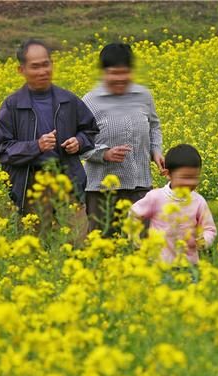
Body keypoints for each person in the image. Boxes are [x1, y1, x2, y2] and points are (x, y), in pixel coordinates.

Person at [0, 39, 99, 241]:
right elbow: (0, 149)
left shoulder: (68, 100)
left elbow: (90, 130)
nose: (43, 71)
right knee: (37, 248)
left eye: (46, 64)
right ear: (21, 70)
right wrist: (36, 146)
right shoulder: (12, 105)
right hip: (32, 187)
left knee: (78, 243)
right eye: (35, 66)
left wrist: (79, 142)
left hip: (68, 182)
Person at [81, 43, 163, 235]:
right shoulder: (90, 101)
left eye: (124, 73)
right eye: (113, 73)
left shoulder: (143, 96)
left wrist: (156, 151)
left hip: (140, 186)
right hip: (102, 192)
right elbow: (79, 143)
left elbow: (154, 126)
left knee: (140, 244)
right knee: (105, 245)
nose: (119, 79)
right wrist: (104, 154)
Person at [130, 144, 217, 264]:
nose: (191, 182)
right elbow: (133, 213)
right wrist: (134, 236)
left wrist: (204, 240)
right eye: (185, 177)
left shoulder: (199, 201)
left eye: (195, 177)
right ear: (168, 174)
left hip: (189, 265)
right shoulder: (156, 197)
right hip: (159, 264)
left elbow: (209, 229)